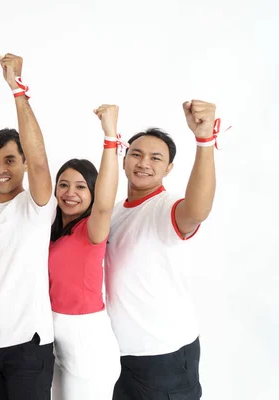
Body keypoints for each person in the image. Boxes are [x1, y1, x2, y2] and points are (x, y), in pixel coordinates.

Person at [106, 100, 218, 399]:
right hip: (120, 359)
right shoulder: (114, 213)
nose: (144, 163)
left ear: (168, 168)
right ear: (124, 158)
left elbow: (196, 210)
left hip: (164, 358)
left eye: (156, 158)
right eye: (137, 154)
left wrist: (204, 140)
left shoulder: (165, 207)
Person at [0, 53, 56, 400]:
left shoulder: (34, 206)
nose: (1, 168)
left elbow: (40, 162)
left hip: (27, 346)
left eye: (10, 159)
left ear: (22, 162)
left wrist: (17, 90)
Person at [49, 104, 121, 399]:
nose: (70, 192)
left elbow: (105, 203)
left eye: (81, 186)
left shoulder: (92, 231)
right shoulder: (51, 232)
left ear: (92, 192)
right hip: (56, 338)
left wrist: (110, 137)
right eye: (63, 184)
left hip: (87, 340)